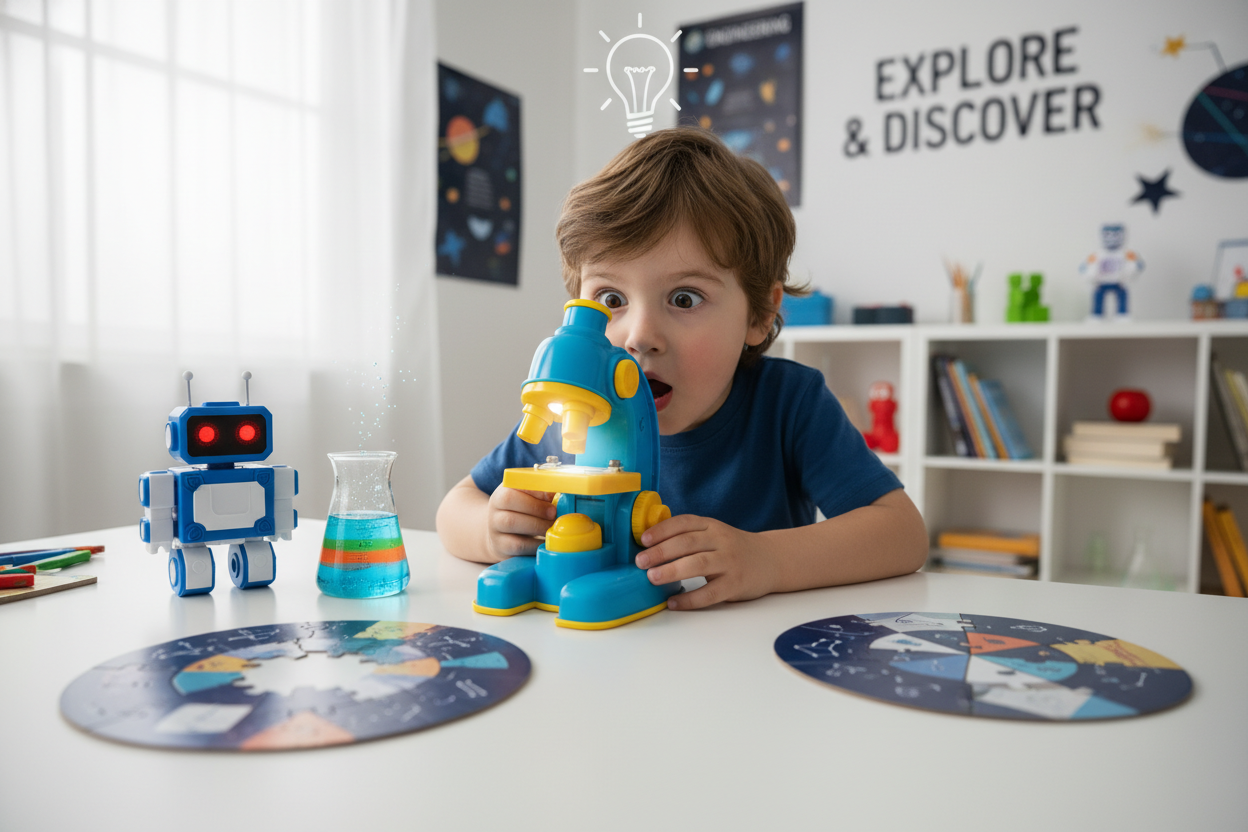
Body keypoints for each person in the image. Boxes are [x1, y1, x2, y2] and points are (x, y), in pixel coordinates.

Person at [436, 126, 928, 611]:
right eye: (611, 299)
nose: (639, 336)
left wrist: (768, 560)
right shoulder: (572, 412)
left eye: (685, 298)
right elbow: (455, 506)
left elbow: (902, 533)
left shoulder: (789, 403)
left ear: (759, 314)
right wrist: (490, 531)